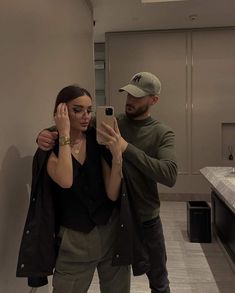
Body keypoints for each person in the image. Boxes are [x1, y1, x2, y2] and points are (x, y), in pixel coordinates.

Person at [36, 72, 178, 293]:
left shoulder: (161, 132)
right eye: (128, 94)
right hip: (114, 215)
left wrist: (124, 147)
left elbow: (169, 174)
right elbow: (75, 123)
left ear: (154, 100)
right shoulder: (111, 121)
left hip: (144, 215)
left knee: (158, 279)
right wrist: (44, 134)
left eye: (138, 96)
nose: (130, 100)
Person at [16, 85, 130, 293]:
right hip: (74, 242)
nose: (85, 116)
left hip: (110, 234)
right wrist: (63, 133)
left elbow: (113, 193)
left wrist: (117, 158)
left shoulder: (97, 142)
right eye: (77, 110)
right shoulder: (49, 150)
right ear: (61, 112)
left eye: (89, 110)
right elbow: (66, 180)